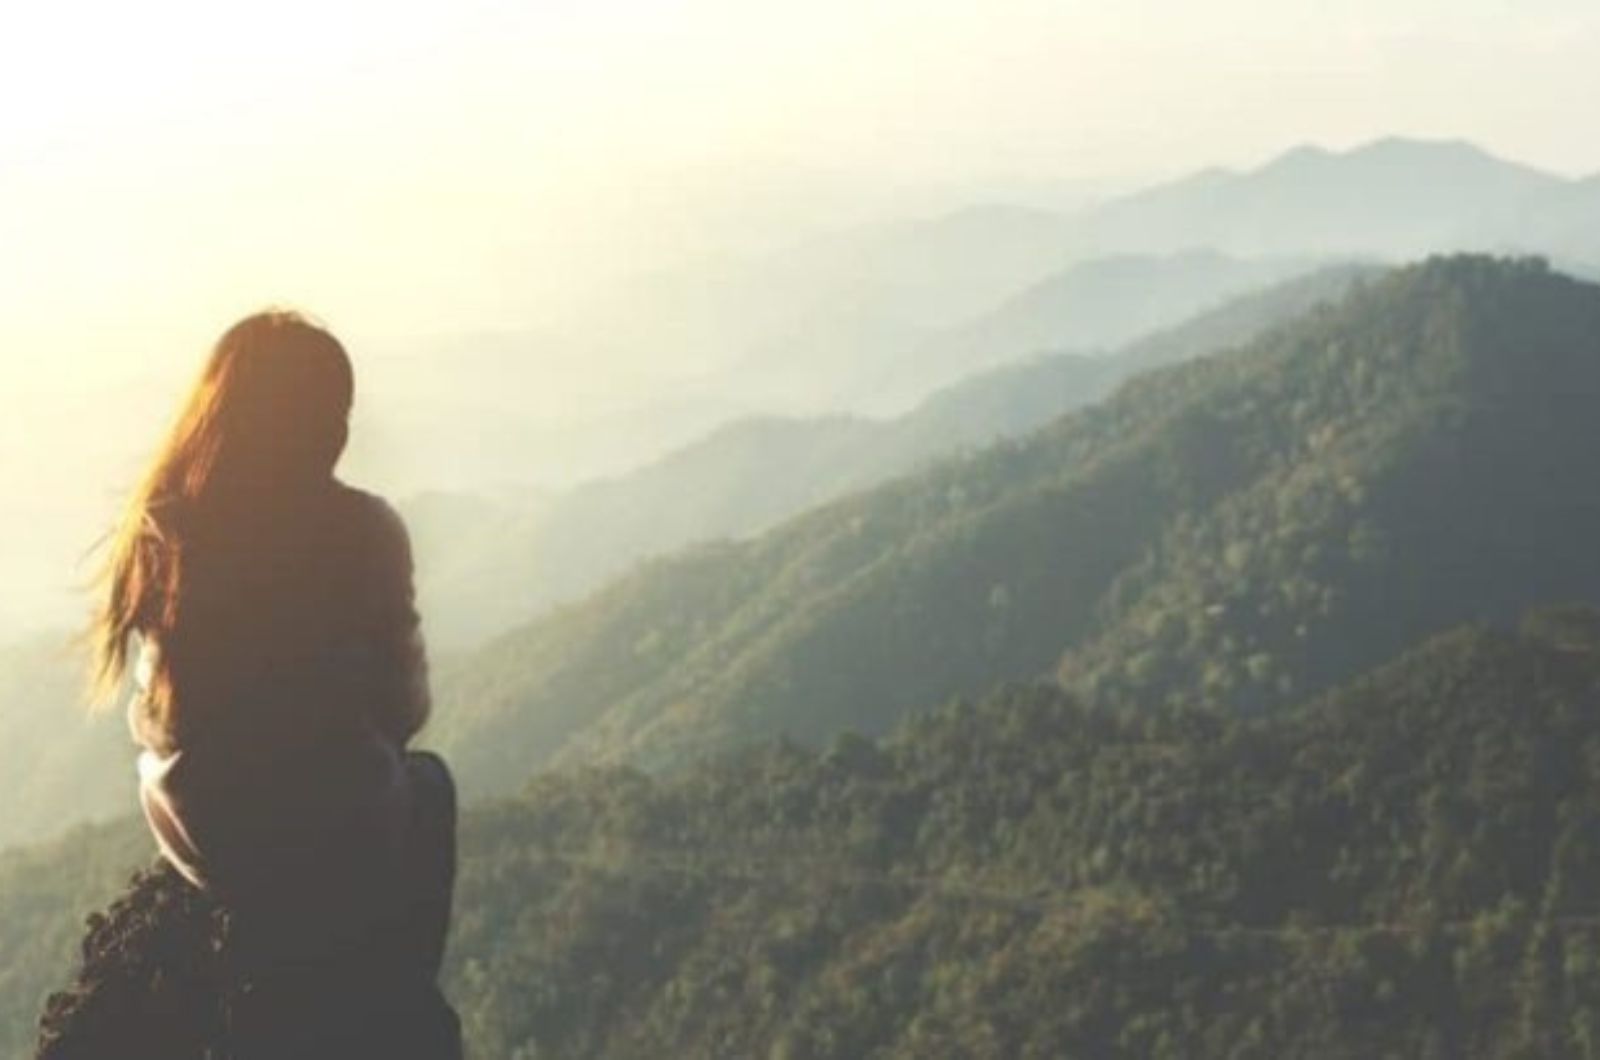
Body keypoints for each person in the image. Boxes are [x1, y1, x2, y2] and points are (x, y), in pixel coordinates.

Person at [90, 310, 461, 1057]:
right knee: (430, 786)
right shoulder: (363, 529)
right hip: (335, 823)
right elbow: (404, 703)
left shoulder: (170, 533)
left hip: (203, 835)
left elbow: (152, 718)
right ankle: (398, 990)